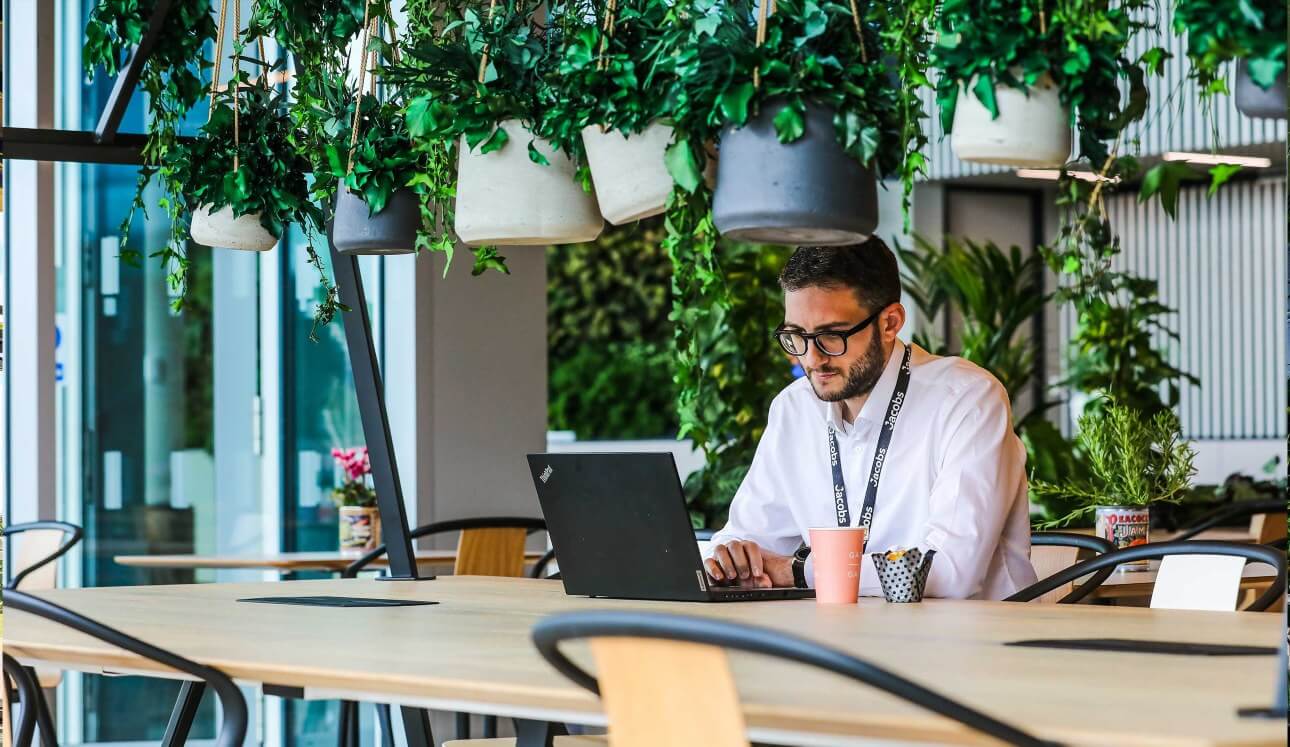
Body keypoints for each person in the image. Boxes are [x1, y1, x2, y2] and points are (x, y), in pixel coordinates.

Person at [703, 238, 1038, 600]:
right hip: (848, 641)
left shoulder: (968, 400)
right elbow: (749, 536)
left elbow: (948, 571)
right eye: (796, 336)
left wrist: (799, 570)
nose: (812, 359)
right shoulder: (794, 410)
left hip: (975, 646)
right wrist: (731, 559)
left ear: (890, 322)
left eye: (831, 336)